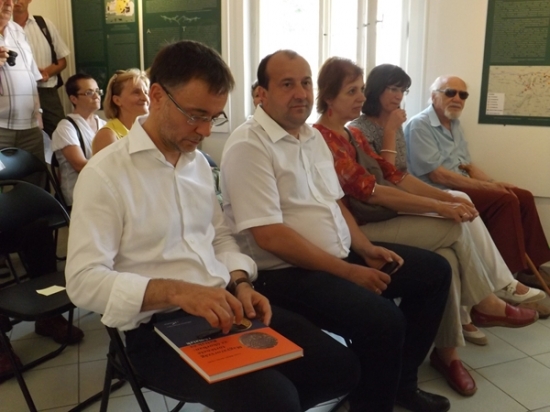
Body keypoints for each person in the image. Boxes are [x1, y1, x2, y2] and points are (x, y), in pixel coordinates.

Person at [65, 40, 360, 412]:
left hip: (223, 305)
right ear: (157, 96)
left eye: (214, 117)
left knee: (339, 369)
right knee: (274, 399)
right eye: (195, 115)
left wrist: (239, 282)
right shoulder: (105, 174)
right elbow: (82, 281)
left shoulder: (198, 165)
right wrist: (178, 292)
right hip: (155, 330)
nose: (205, 130)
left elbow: (219, 236)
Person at [221, 49, 453, 412]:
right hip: (282, 273)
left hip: (338, 255)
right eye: (287, 84)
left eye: (305, 82)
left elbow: (334, 203)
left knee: (435, 273)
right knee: (383, 320)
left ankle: (400, 386)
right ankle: (371, 404)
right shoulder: (249, 145)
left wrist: (364, 248)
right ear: (260, 94)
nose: (301, 93)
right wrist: (348, 272)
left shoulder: (311, 137)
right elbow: (270, 236)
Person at [313, 56, 541, 396]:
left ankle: (445, 355)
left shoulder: (350, 134)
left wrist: (446, 201)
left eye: (361, 89)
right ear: (328, 96)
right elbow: (373, 192)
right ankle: (485, 303)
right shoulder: (322, 139)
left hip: (380, 216)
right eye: (351, 91)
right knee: (454, 228)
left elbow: (396, 176)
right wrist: (440, 206)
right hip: (357, 229)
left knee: (446, 258)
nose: (361, 97)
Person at [350, 64, 548, 319]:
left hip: (411, 191)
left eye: (402, 90)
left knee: (512, 196)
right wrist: (445, 201)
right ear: (434, 96)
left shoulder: (435, 124)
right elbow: (390, 178)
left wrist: (493, 182)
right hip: (391, 203)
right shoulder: (370, 128)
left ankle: (521, 276)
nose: (398, 96)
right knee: (487, 203)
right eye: (392, 89)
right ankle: (501, 285)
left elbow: (414, 172)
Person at [404, 75, 550, 286]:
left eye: (463, 95)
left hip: (462, 183)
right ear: (433, 96)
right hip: (441, 189)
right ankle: (506, 279)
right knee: (504, 200)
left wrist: (493, 182)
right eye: (450, 92)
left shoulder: (454, 124)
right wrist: (490, 187)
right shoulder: (420, 125)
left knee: (523, 196)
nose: (457, 98)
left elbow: (467, 166)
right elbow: (438, 175)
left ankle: (531, 269)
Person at [0, 0, 45, 187]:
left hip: (30, 127)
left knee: (35, 185)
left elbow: (32, 76)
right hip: (0, 128)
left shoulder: (18, 31)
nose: (9, 3)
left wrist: (38, 114)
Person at [13, 0, 70, 139]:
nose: (17, 1)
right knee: (24, 138)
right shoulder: (4, 29)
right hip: (17, 95)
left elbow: (62, 61)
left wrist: (44, 73)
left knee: (60, 135)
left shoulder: (44, 25)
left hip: (47, 92)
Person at [51, 73, 106, 207]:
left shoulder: (104, 125)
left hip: (103, 187)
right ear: (74, 99)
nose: (96, 96)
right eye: (89, 92)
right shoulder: (66, 127)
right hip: (78, 194)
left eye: (97, 91)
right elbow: (80, 166)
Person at [92, 68, 149, 154]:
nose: (145, 98)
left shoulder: (145, 131)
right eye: (136, 92)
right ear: (117, 100)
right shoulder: (107, 135)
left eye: (146, 92)